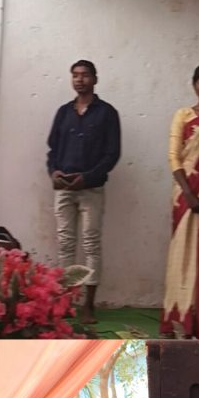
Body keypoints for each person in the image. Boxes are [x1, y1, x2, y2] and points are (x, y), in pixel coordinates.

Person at [46, 60, 121, 323]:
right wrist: (53, 172)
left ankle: (88, 305)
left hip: (91, 188)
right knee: (65, 243)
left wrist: (87, 178)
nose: (80, 80)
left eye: (85, 75)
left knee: (91, 244)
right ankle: (65, 302)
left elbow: (112, 154)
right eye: (75, 75)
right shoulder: (64, 112)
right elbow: (53, 150)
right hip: (63, 187)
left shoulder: (107, 113)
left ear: (95, 79)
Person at [161, 64, 199, 337]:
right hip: (184, 196)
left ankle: (196, 320)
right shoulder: (182, 115)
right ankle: (174, 316)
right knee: (180, 255)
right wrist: (188, 193)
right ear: (194, 85)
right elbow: (174, 157)